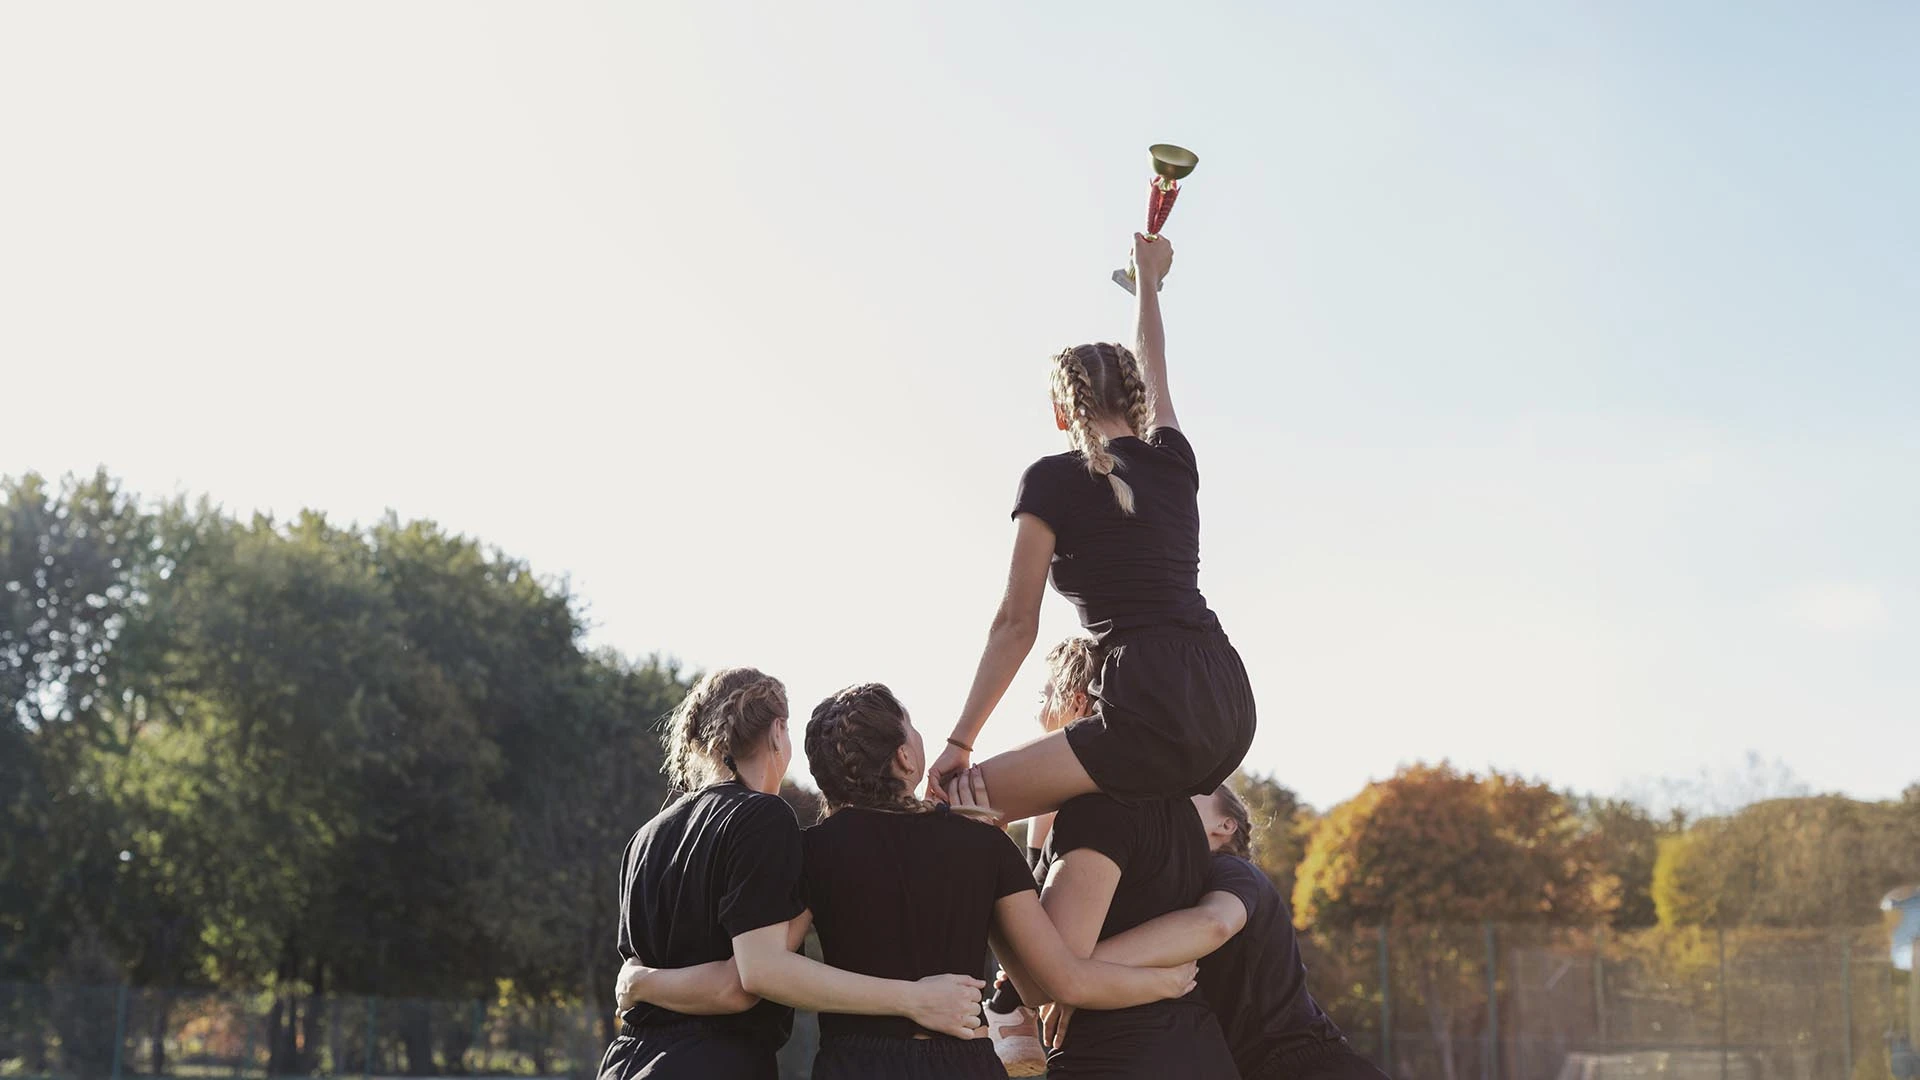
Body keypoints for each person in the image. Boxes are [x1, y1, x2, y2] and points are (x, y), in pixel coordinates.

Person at [926, 231, 1256, 823]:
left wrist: (960, 742)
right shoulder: (1174, 462)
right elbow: (1154, 366)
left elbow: (1015, 624)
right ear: (1135, 403)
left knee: (957, 804)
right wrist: (1147, 284)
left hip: (1150, 701)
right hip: (1226, 696)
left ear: (1060, 412)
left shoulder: (1052, 480)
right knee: (1095, 813)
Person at [791, 683, 1196, 1079]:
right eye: (911, 726)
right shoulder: (982, 843)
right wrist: (1164, 981)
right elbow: (1046, 985)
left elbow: (776, 966)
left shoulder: (810, 851)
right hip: (961, 1062)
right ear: (904, 759)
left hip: (853, 1062)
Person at [598, 668, 985, 1080]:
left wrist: (638, 983)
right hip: (709, 1063)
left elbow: (639, 974)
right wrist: (913, 999)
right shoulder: (761, 816)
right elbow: (745, 982)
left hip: (624, 1063)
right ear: (778, 732)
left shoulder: (645, 836)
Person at [1042, 783, 1390, 1080]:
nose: (1171, 798)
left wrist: (1072, 973)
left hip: (1310, 1064)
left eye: (1190, 793)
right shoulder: (1165, 883)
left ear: (1226, 825)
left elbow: (1214, 923)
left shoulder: (1232, 869)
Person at [952, 771, 1239, 1077]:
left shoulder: (1105, 811)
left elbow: (1046, 980)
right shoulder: (1181, 833)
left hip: (1121, 1054)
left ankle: (1005, 1009)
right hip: (1194, 1049)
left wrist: (982, 848)